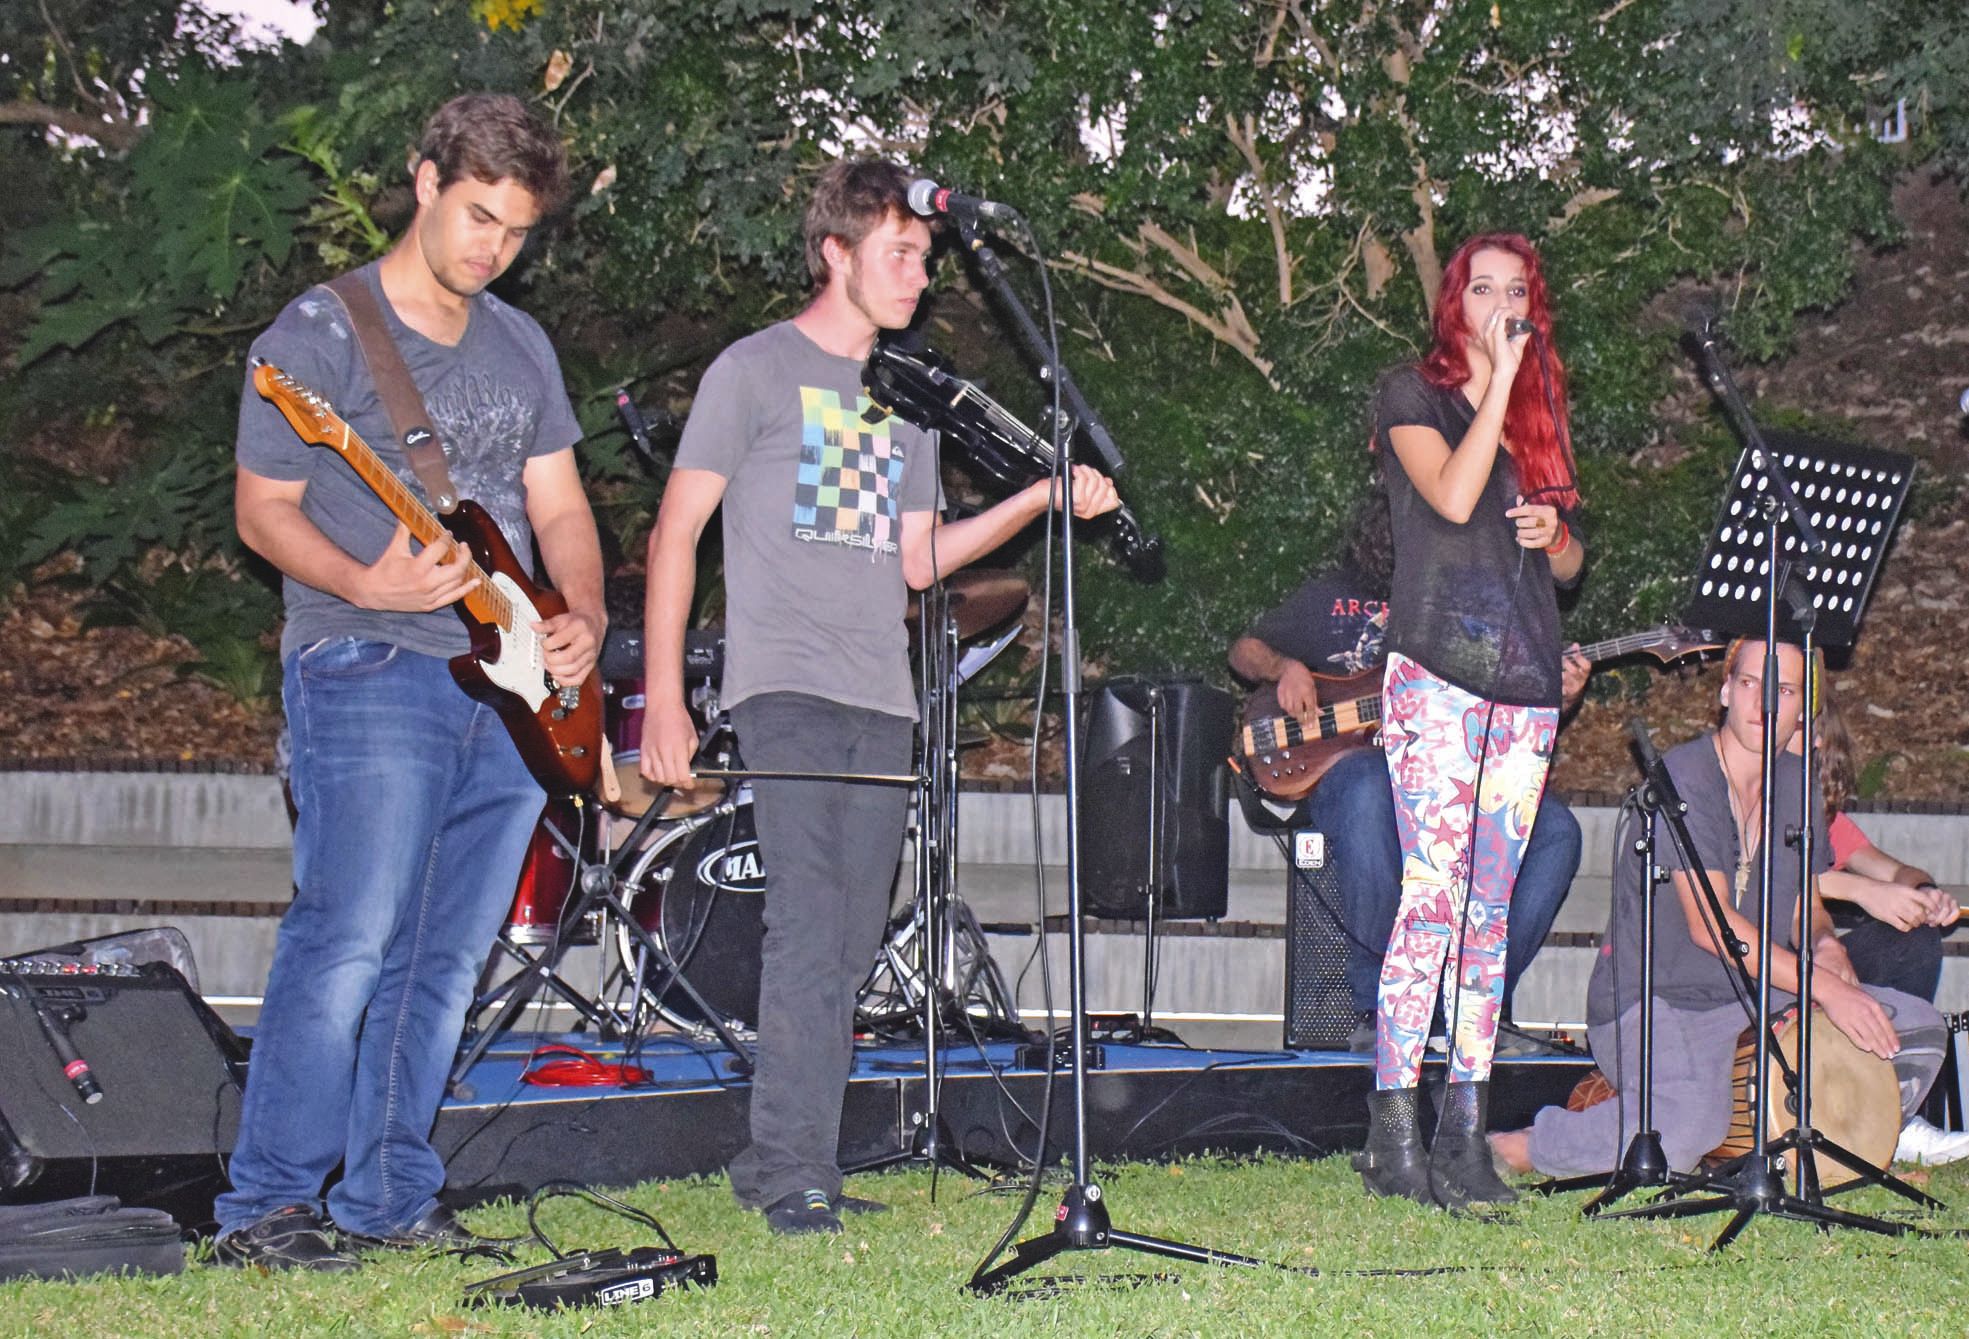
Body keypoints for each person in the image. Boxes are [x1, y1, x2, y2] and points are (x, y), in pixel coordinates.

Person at [639, 159, 1119, 1236]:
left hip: (881, 697)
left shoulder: (908, 399)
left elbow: (918, 561)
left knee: (853, 939)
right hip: (787, 686)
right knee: (810, 929)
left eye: (925, 255)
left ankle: (777, 1154)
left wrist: (1036, 495)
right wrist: (663, 699)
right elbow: (676, 533)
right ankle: (798, 1170)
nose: (919, 273)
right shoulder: (752, 373)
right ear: (836, 253)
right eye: (900, 253)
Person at [218, 94, 603, 1271]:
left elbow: (560, 505)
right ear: (425, 179)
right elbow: (262, 511)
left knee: (444, 956)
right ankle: (269, 1204)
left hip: (513, 686)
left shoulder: (520, 342)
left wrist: (582, 611)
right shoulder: (320, 336)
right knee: (349, 934)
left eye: (517, 231)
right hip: (366, 657)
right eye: (478, 216)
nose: (492, 249)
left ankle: (387, 1191)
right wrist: (365, 582)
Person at [1490, 640, 1947, 1180]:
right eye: (1751, 684)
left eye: (1784, 691)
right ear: (1726, 691)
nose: (1764, 704)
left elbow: (1800, 903)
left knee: (1919, 1028)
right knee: (1684, 1133)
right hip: (1659, 1002)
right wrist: (1825, 988)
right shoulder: (1686, 778)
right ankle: (1528, 1144)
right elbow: (1713, 928)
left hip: (1756, 996)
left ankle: (1806, 1135)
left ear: (1804, 709)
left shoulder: (1796, 784)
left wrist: (1824, 946)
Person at [1353, 232, 1586, 1210]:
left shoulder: (1539, 416)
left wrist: (1557, 533)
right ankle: (1392, 1129)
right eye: (1483, 288)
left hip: (1525, 681)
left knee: (1487, 915)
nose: (1501, 302)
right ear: (1456, 302)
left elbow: (1569, 569)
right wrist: (1496, 378)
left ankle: (1463, 1132)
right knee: (1432, 898)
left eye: (1516, 290)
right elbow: (1451, 496)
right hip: (1437, 675)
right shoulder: (1412, 392)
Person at [1228, 491, 1589, 1051]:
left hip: (1450, 772)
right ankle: (1385, 1009)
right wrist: (1286, 666)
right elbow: (1244, 651)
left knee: (1557, 831)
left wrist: (1555, 696)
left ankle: (1476, 1006)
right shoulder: (1336, 598)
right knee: (1375, 787)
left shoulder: (1481, 611)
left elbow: (1501, 712)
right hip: (1347, 773)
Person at [1806, 689, 1968, 1164]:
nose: (1806, 741)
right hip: (1755, 970)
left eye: (1814, 731)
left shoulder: (1824, 817)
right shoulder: (1738, 795)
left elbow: (1895, 871)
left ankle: (1892, 1116)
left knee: (1911, 936)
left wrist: (1923, 893)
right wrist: (1856, 893)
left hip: (1821, 960)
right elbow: (1759, 882)